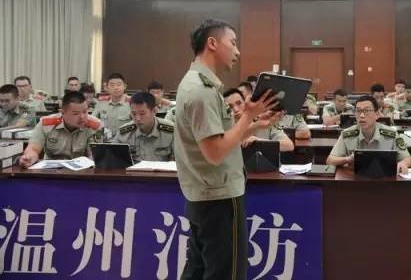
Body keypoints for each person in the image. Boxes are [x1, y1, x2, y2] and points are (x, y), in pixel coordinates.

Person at [174, 19, 280, 280]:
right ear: (212, 43)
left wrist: (255, 125)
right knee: (226, 273)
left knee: (198, 270)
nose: (237, 51)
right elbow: (215, 153)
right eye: (232, 43)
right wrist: (248, 115)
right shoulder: (201, 90)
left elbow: (220, 138)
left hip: (205, 193)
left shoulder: (198, 84)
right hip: (218, 197)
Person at [326, 95, 411, 174]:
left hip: (385, 180)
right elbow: (330, 160)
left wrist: (403, 163)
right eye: (358, 111)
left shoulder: (391, 134)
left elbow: (408, 159)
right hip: (355, 180)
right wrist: (348, 159)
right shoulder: (347, 134)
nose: (362, 115)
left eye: (367, 111)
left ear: (377, 114)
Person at [19, 91, 104, 166]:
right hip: (51, 172)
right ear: (62, 112)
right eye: (76, 114)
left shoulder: (95, 126)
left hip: (82, 172)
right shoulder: (46, 123)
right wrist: (29, 157)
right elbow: (33, 148)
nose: (82, 117)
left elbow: (95, 157)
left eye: (85, 112)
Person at [223, 88, 293, 152]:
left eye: (239, 103)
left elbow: (289, 145)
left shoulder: (265, 120)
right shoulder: (226, 129)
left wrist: (258, 141)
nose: (236, 109)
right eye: (230, 106)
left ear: (246, 103)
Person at [114, 92, 175, 163]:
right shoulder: (124, 133)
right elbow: (113, 159)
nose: (138, 118)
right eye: (134, 114)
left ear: (154, 111)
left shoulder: (170, 131)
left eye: (142, 114)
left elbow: (178, 161)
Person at [92, 73, 131, 138]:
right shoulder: (101, 102)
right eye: (112, 85)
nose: (116, 88)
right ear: (107, 87)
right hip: (105, 140)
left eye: (119, 85)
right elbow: (92, 121)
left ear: (125, 86)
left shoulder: (132, 103)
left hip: (125, 141)